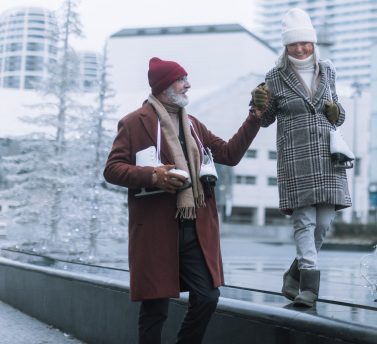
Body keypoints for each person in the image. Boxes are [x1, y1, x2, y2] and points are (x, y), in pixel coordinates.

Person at [103, 57, 270, 344]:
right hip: (156, 229)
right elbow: (112, 169)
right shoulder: (133, 123)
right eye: (182, 80)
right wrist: (152, 176)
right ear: (164, 86)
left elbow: (230, 154)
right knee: (155, 306)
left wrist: (255, 115)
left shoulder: (193, 125)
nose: (188, 85)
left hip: (195, 227)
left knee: (207, 296)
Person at [261, 8, 352, 307]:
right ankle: (309, 286)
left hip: (326, 157)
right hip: (296, 157)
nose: (300, 48)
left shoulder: (328, 70)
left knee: (323, 222)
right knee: (304, 221)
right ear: (285, 46)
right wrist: (257, 105)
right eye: (293, 43)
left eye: (305, 42)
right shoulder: (274, 77)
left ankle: (293, 276)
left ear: (313, 42)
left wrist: (337, 113)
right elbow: (265, 119)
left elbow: (337, 114)